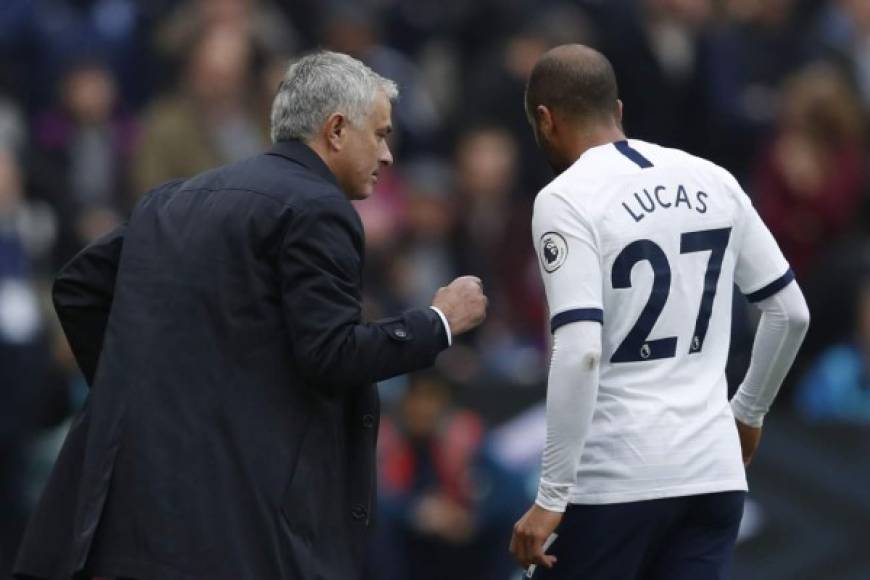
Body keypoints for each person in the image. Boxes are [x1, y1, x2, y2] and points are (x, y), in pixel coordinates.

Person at [14, 50, 487, 580]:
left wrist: (147, 400)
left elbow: (79, 288)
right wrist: (438, 321)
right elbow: (331, 353)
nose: (388, 155)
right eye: (379, 135)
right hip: (243, 524)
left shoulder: (177, 197)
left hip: (134, 511)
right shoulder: (317, 205)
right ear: (335, 130)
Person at [509, 44, 810, 579]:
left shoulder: (566, 198)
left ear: (545, 120)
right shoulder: (713, 179)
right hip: (712, 477)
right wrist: (748, 412)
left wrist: (553, 493)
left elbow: (579, 351)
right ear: (618, 109)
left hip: (615, 480)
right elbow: (790, 311)